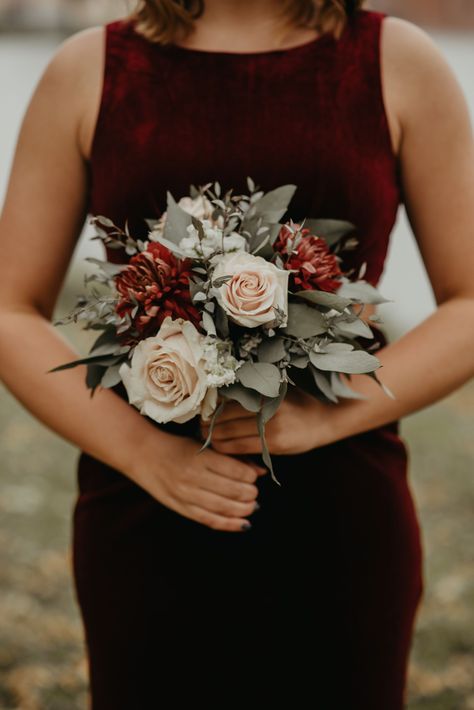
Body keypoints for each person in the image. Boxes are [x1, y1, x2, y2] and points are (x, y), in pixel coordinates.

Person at [1, 0, 473, 707]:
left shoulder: (394, 62)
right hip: (143, 518)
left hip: (341, 520)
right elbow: (9, 308)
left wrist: (321, 419)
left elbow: (469, 303)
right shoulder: (90, 70)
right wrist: (143, 453)